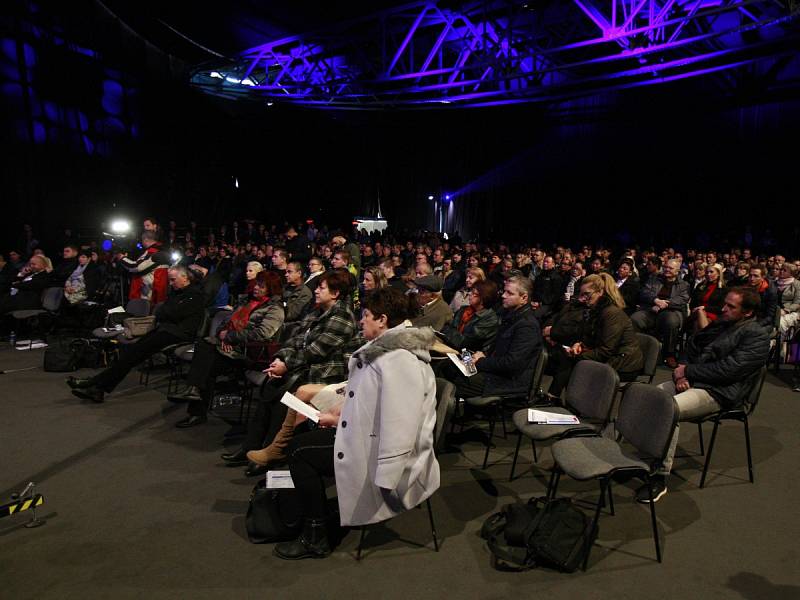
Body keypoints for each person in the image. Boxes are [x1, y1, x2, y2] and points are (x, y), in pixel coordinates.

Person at [273, 288, 439, 560]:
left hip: (387, 458)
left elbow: (400, 425)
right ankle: (316, 519)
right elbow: (371, 404)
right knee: (303, 440)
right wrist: (339, 419)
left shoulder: (399, 360)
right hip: (370, 438)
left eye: (366, 315)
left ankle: (315, 536)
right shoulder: (390, 353)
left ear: (383, 320)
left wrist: (386, 479)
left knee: (299, 452)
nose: (360, 321)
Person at [638, 287, 770, 503]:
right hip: (695, 380)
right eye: (725, 303)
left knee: (668, 408)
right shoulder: (722, 322)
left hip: (720, 392)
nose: (723, 308)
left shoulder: (757, 336)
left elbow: (730, 370)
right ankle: (647, 453)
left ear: (747, 312)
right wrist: (683, 373)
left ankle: (659, 476)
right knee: (650, 397)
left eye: (731, 306)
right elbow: (692, 346)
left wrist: (689, 372)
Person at [223, 270, 358, 472]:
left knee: (285, 394)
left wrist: (286, 365)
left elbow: (316, 351)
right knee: (271, 386)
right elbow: (294, 340)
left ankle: (272, 452)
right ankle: (251, 446)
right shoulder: (316, 311)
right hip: (305, 366)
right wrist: (281, 358)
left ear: (335, 293)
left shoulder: (343, 317)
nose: (317, 291)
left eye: (321, 288)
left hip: (327, 372)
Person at [67, 265, 206, 403]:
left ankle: (95, 384)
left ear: (185, 278)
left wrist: (165, 312)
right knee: (131, 355)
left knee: (133, 355)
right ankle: (98, 388)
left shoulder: (195, 295)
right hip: (166, 330)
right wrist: (165, 312)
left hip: (179, 334)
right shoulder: (177, 294)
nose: (170, 283)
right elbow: (161, 313)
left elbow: (169, 313)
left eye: (173, 280)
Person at [171, 271, 285, 428]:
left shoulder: (275, 309)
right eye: (256, 284)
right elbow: (225, 323)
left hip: (249, 354)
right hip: (230, 350)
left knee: (206, 356)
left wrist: (230, 337)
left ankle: (195, 398)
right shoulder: (247, 301)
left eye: (261, 286)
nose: (256, 288)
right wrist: (223, 336)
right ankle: (195, 401)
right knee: (206, 357)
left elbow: (261, 334)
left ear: (271, 289)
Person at [544, 273, 643, 397]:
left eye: (587, 294)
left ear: (600, 292)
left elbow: (606, 350)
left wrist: (579, 354)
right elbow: (591, 337)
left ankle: (561, 399)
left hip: (624, 364)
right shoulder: (596, 310)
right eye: (582, 294)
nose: (583, 298)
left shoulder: (612, 313)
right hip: (613, 355)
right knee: (568, 357)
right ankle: (558, 398)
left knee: (573, 361)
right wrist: (579, 345)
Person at [444, 276, 541, 400]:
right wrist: (482, 354)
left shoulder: (527, 325)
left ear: (524, 298)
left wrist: (480, 362)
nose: (503, 296)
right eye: (504, 291)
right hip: (495, 371)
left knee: (453, 380)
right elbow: (497, 349)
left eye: (509, 293)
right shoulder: (510, 316)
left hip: (507, 382)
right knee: (448, 365)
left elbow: (511, 364)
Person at [631, 258, 690, 368]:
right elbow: (644, 293)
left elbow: (682, 300)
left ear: (677, 271)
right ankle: (636, 349)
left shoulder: (684, 284)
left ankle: (669, 354)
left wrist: (664, 304)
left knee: (671, 321)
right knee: (635, 318)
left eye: (670, 268)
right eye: (666, 267)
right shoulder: (654, 279)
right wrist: (656, 300)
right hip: (651, 309)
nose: (667, 269)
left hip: (671, 311)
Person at [439, 279, 500, 353]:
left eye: (474, 293)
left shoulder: (490, 319)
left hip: (468, 355)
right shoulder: (463, 309)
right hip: (450, 347)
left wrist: (448, 332)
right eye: (471, 291)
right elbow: (447, 328)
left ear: (484, 298)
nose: (470, 294)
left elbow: (465, 343)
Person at [118, 231, 170, 304]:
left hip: (148, 294)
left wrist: (122, 258)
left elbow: (136, 267)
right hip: (159, 292)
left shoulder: (152, 252)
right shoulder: (164, 251)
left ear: (145, 240)